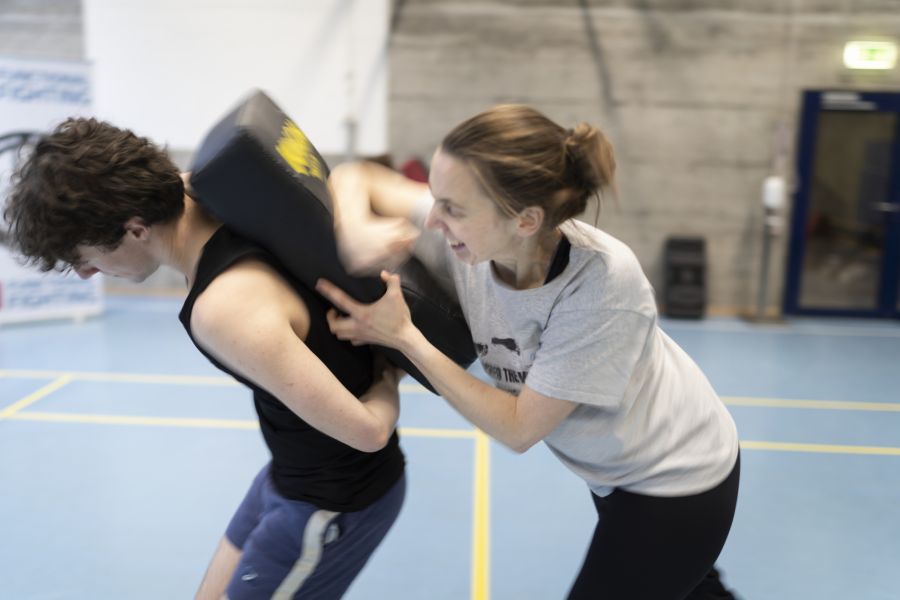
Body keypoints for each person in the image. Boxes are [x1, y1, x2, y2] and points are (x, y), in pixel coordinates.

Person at [315, 104, 741, 599]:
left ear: (525, 220)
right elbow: (357, 174)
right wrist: (353, 228)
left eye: (452, 208)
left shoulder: (601, 287)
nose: (432, 218)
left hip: (673, 478)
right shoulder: (480, 239)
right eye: (435, 197)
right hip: (612, 470)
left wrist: (403, 336)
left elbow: (519, 429)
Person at [4, 117, 406, 600]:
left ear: (135, 229)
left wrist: (389, 374)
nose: (88, 273)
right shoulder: (216, 183)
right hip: (288, 471)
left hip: (333, 501)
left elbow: (369, 432)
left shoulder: (223, 309)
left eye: (84, 256)